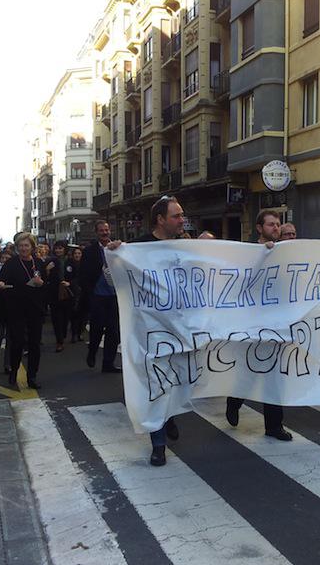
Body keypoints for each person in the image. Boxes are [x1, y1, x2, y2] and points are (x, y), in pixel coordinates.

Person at [226, 210, 293, 442]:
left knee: (274, 375)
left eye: (278, 224)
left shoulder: (286, 253)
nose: (276, 228)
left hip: (277, 323)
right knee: (250, 372)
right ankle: (234, 400)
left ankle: (274, 425)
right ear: (259, 228)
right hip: (253, 324)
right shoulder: (249, 252)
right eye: (271, 224)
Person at [129, 196, 187, 466]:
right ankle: (158, 444)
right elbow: (112, 277)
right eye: (176, 216)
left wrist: (265, 252)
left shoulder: (187, 246)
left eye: (182, 215)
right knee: (155, 384)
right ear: (160, 219)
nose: (182, 220)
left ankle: (169, 416)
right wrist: (113, 256)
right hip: (151, 331)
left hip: (180, 329)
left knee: (175, 381)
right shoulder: (138, 247)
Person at [0, 232, 48, 390]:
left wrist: (41, 283)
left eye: (26, 245)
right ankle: (14, 370)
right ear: (17, 247)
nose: (24, 248)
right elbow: (1, 281)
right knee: (17, 342)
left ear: (32, 247)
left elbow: (46, 284)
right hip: (17, 308)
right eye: (21, 246)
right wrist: (1, 284)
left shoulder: (38, 263)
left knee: (34, 344)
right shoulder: (11, 263)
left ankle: (32, 376)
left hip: (35, 308)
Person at [79, 221, 120, 374]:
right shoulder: (89, 251)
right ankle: (92, 352)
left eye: (106, 230)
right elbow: (83, 274)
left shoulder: (117, 248)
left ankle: (108, 363)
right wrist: (89, 293)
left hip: (114, 296)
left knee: (113, 331)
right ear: (96, 232)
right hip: (97, 296)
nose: (104, 233)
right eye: (101, 230)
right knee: (96, 329)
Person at [47, 240, 73, 352]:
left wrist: (69, 283)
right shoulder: (50, 261)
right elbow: (44, 277)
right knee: (56, 317)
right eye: (56, 248)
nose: (58, 250)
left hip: (68, 292)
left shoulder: (70, 261)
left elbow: (77, 275)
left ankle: (63, 334)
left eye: (60, 248)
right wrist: (47, 270)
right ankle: (59, 341)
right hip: (54, 292)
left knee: (65, 317)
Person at [67, 246, 86, 343]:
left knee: (83, 314)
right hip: (73, 291)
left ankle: (80, 332)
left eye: (79, 253)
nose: (77, 255)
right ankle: (74, 334)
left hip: (84, 291)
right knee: (74, 314)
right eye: (75, 253)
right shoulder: (69, 264)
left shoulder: (85, 263)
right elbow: (68, 277)